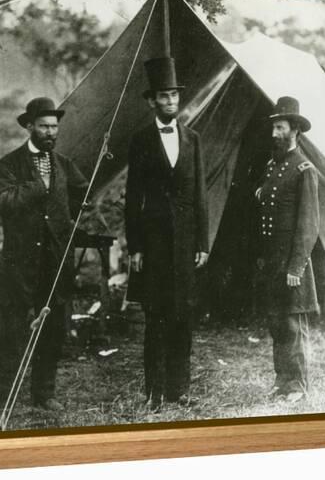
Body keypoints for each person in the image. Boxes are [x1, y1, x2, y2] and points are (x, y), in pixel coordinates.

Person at [0, 97, 88, 426]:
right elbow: (4, 202)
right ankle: (1, 403)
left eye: (54, 126)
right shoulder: (10, 163)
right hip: (19, 265)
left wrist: (75, 211)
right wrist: (36, 188)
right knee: (13, 332)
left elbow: (79, 195)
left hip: (55, 262)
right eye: (44, 126)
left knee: (54, 328)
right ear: (29, 126)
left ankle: (43, 394)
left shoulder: (63, 163)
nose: (50, 132)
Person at [125, 57, 209, 410]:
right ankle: (154, 392)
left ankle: (180, 388)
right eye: (164, 96)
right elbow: (133, 197)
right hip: (155, 243)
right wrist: (136, 247)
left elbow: (201, 194)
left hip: (187, 244)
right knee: (156, 317)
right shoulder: (141, 140)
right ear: (152, 101)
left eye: (174, 95)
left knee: (182, 317)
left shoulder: (193, 139)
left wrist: (203, 243)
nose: (171, 101)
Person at [255, 96, 320, 403]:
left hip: (292, 263)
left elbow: (308, 225)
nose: (274, 134)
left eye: (280, 128)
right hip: (272, 261)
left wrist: (296, 267)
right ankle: (282, 381)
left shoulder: (304, 170)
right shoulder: (272, 167)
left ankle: (298, 385)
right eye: (273, 128)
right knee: (276, 322)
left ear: (294, 129)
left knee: (294, 324)